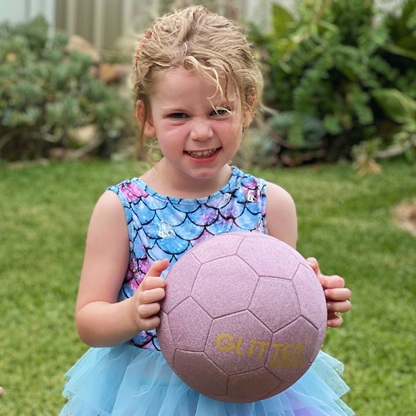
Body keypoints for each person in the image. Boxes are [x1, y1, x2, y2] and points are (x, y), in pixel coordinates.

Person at [60, 6, 353, 416]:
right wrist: (132, 312)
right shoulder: (123, 208)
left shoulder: (270, 204)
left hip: (253, 390)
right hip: (150, 394)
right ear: (146, 119)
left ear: (248, 106)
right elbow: (89, 321)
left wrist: (314, 303)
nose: (201, 131)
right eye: (178, 115)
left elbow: (276, 308)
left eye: (219, 111)